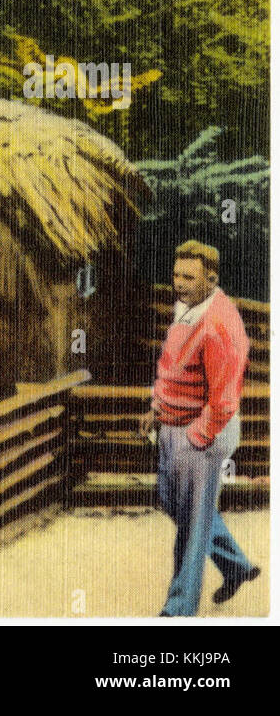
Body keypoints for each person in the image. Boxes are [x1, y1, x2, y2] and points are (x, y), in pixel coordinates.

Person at [139, 240, 260, 616]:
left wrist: (198, 438)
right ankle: (235, 565)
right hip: (173, 424)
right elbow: (172, 366)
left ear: (211, 278)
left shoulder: (220, 324)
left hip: (201, 430)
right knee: (175, 503)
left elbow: (224, 399)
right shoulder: (188, 307)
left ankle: (178, 610)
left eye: (188, 277)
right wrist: (156, 407)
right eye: (176, 275)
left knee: (192, 524)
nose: (178, 283)